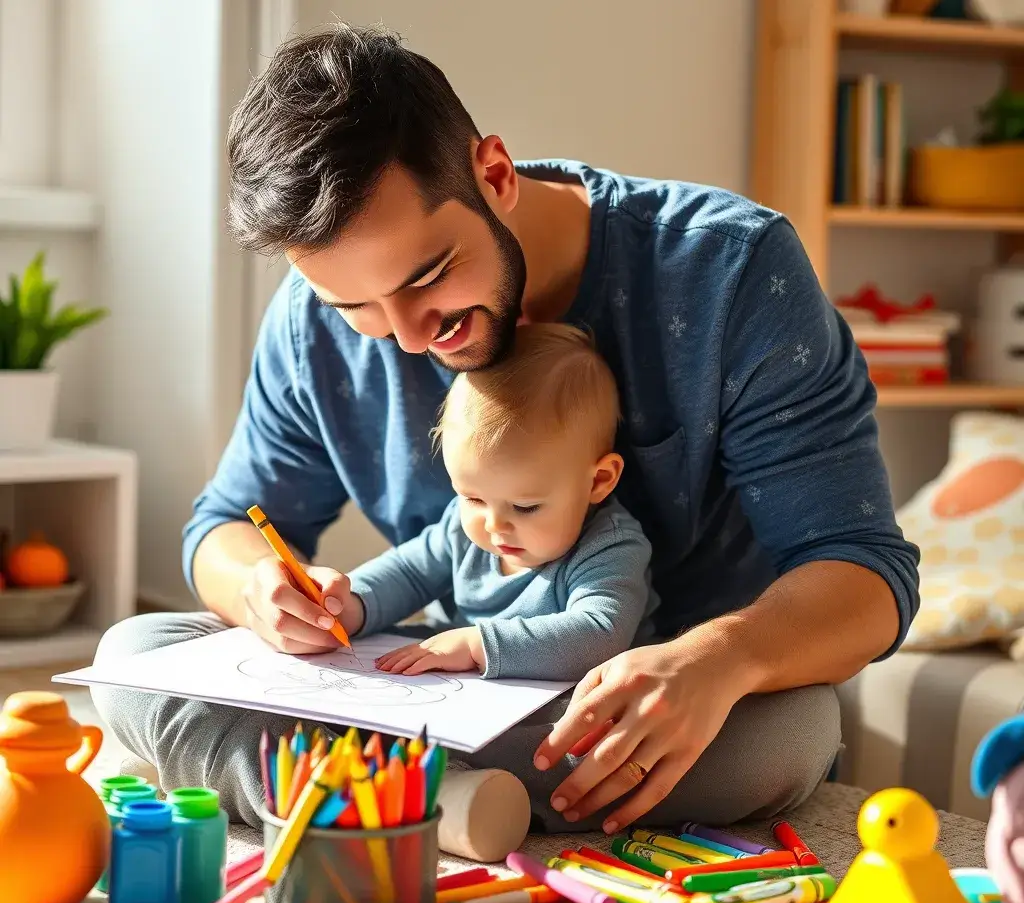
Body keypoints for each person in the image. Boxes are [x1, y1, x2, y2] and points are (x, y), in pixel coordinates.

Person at [90, 22, 920, 834]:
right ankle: (446, 804)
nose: (411, 337)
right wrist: (260, 592)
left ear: (493, 172)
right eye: (359, 309)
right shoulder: (312, 324)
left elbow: (866, 577)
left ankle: (359, 796)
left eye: (428, 277)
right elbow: (225, 527)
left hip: (654, 699)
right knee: (133, 655)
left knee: (794, 732)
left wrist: (724, 659)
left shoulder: (726, 271)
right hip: (443, 679)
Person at [340, 321, 654, 681]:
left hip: (564, 702)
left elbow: (600, 634)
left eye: (525, 506)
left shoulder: (610, 546)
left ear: (599, 480)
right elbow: (409, 573)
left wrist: (477, 646)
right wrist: (351, 604)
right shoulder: (462, 527)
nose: (493, 525)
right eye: (472, 498)